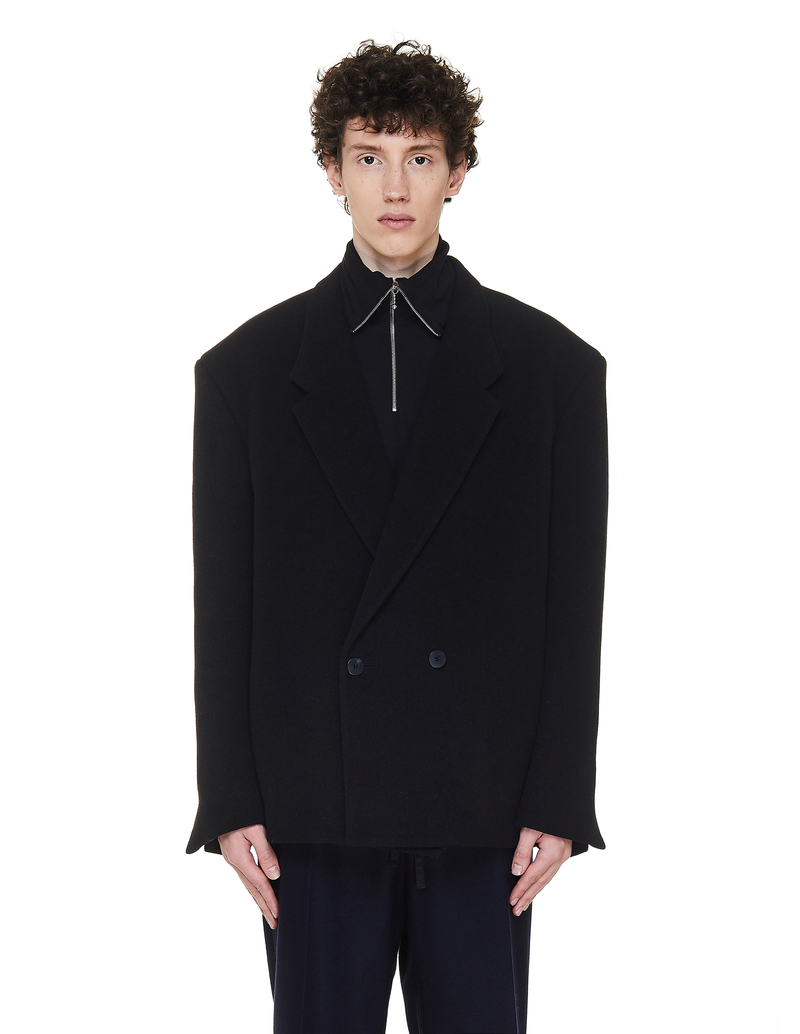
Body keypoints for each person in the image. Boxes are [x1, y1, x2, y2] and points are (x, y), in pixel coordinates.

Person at [186, 39, 609, 1033]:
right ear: (332, 171)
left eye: (419, 157)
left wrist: (559, 796)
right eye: (368, 156)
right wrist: (229, 798)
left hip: (483, 802)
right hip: (309, 803)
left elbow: (574, 599)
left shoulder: (552, 371)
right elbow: (222, 601)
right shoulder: (244, 374)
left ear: (456, 173)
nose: (393, 186)